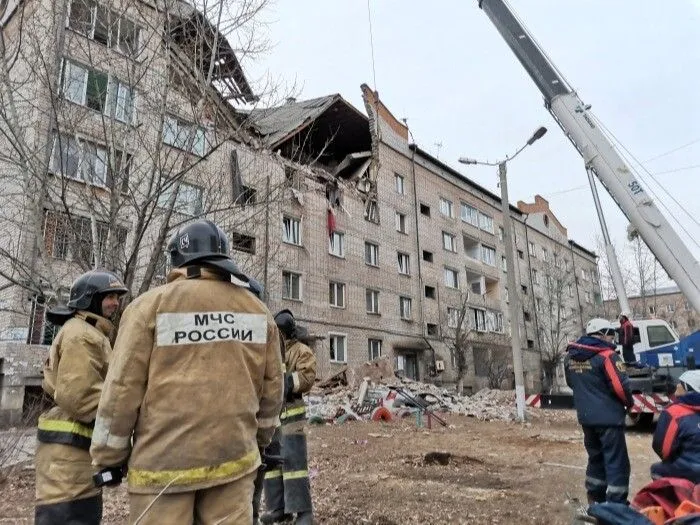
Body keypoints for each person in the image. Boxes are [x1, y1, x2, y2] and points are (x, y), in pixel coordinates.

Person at [90, 219, 284, 525]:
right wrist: (258, 439)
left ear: (176, 260)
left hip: (163, 470)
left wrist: (108, 458)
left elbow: (121, 390)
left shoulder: (147, 308)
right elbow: (273, 391)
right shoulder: (258, 312)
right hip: (234, 463)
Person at [35, 269, 127, 525]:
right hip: (69, 453)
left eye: (117, 297)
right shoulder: (81, 334)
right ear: (89, 299)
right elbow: (81, 398)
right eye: (109, 296)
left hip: (73, 452)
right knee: (70, 517)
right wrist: (127, 413)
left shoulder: (90, 332)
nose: (115, 303)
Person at [565, 318, 633, 505]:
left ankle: (595, 499)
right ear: (602, 333)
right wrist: (629, 403)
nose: (613, 338)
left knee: (595, 459)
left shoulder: (570, 357)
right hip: (609, 419)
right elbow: (621, 387)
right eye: (611, 333)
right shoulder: (607, 356)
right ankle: (616, 505)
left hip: (587, 418)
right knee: (617, 462)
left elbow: (572, 383)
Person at [260, 310, 317, 525]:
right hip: (273, 417)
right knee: (272, 463)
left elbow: (307, 376)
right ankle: (278, 508)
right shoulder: (271, 350)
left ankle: (303, 512)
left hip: (293, 415)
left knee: (295, 464)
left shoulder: (302, 351)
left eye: (280, 333)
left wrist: (285, 382)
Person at [651, 370, 700, 482]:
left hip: (689, 471)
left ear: (688, 388)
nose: (677, 385)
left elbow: (663, 449)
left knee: (656, 470)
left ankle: (674, 498)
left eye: (680, 383)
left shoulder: (674, 412)